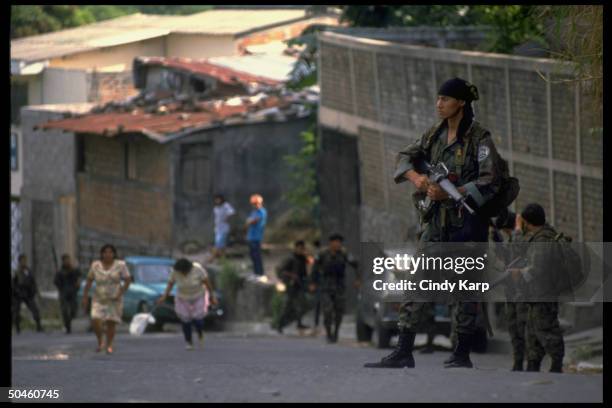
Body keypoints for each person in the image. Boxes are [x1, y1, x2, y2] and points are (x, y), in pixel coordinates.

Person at [365, 77, 503, 368]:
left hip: (467, 225)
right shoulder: (433, 135)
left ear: (461, 103)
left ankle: (461, 352)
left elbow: (491, 180)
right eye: (438, 98)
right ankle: (404, 350)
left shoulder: (479, 139)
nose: (439, 104)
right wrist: (417, 178)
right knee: (417, 282)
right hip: (435, 223)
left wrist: (457, 192)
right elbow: (405, 156)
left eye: (446, 99)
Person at [508, 203, 565, 373]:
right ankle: (533, 364)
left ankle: (556, 364)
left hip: (543, 294)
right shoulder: (538, 237)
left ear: (528, 222)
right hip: (535, 294)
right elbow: (520, 247)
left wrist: (521, 273)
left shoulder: (543, 240)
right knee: (532, 334)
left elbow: (538, 268)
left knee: (547, 330)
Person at [489, 208, 530, 371]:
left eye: (507, 230)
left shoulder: (524, 238)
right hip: (512, 292)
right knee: (514, 327)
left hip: (524, 292)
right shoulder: (511, 240)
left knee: (524, 327)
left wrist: (518, 229)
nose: (506, 233)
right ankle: (518, 361)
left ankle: (531, 360)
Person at [158, 258, 218, 350]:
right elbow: (170, 284)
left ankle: (200, 333)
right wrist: (164, 296)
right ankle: (189, 342)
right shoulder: (175, 272)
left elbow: (207, 283)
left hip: (198, 295)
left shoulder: (198, 269)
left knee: (198, 318)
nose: (183, 274)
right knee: (185, 319)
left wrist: (212, 297)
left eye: (184, 272)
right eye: (181, 272)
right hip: (183, 297)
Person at [81, 244, 131, 354]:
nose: (108, 254)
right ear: (102, 254)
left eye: (110, 252)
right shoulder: (95, 265)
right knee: (95, 318)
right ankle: (100, 341)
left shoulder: (120, 265)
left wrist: (121, 292)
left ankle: (109, 344)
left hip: (114, 298)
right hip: (99, 297)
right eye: (105, 252)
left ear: (114, 254)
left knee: (111, 322)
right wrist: (85, 296)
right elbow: (89, 280)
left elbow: (128, 279)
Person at [310, 234, 359, 343]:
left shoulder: (344, 253)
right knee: (327, 310)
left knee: (339, 311)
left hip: (339, 286)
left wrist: (358, 279)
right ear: (331, 243)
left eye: (339, 242)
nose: (337, 244)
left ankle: (336, 332)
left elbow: (356, 265)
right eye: (335, 242)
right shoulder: (322, 254)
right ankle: (328, 333)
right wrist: (313, 283)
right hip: (326, 286)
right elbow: (314, 268)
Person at [275, 241, 310, 333]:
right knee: (288, 306)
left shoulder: (302, 258)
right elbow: (280, 270)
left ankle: (299, 323)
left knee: (302, 304)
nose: (301, 250)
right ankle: (280, 325)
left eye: (302, 248)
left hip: (300, 284)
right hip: (291, 285)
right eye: (299, 248)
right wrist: (290, 276)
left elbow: (308, 267)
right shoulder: (290, 259)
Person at [12, 254, 43, 333]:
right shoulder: (16, 272)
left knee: (35, 310)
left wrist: (35, 291)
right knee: (16, 311)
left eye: (25, 260)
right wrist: (16, 292)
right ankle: (18, 327)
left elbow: (33, 282)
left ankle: (39, 326)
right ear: (19, 262)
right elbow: (13, 284)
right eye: (22, 261)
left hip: (28, 294)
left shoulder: (28, 271)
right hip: (18, 294)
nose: (24, 262)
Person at [53, 254, 81, 334]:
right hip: (64, 293)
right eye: (65, 260)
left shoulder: (74, 270)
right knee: (64, 310)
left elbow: (79, 276)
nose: (67, 262)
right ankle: (67, 326)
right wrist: (61, 288)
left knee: (74, 309)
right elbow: (56, 282)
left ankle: (70, 321)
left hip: (73, 293)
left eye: (68, 260)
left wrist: (77, 284)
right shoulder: (60, 272)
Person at [209, 194, 235, 263]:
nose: (217, 201)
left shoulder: (225, 205)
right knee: (222, 246)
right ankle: (223, 260)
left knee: (218, 244)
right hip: (217, 228)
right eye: (216, 199)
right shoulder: (216, 207)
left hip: (224, 229)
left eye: (219, 199)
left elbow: (231, 212)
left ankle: (211, 259)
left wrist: (227, 218)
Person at [246, 194, 267, 277]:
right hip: (251, 236)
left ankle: (261, 274)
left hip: (257, 237)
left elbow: (252, 221)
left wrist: (250, 221)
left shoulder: (262, 211)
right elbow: (248, 222)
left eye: (257, 203)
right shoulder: (253, 212)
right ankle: (255, 273)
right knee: (252, 256)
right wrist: (249, 221)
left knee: (257, 256)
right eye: (254, 204)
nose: (256, 205)